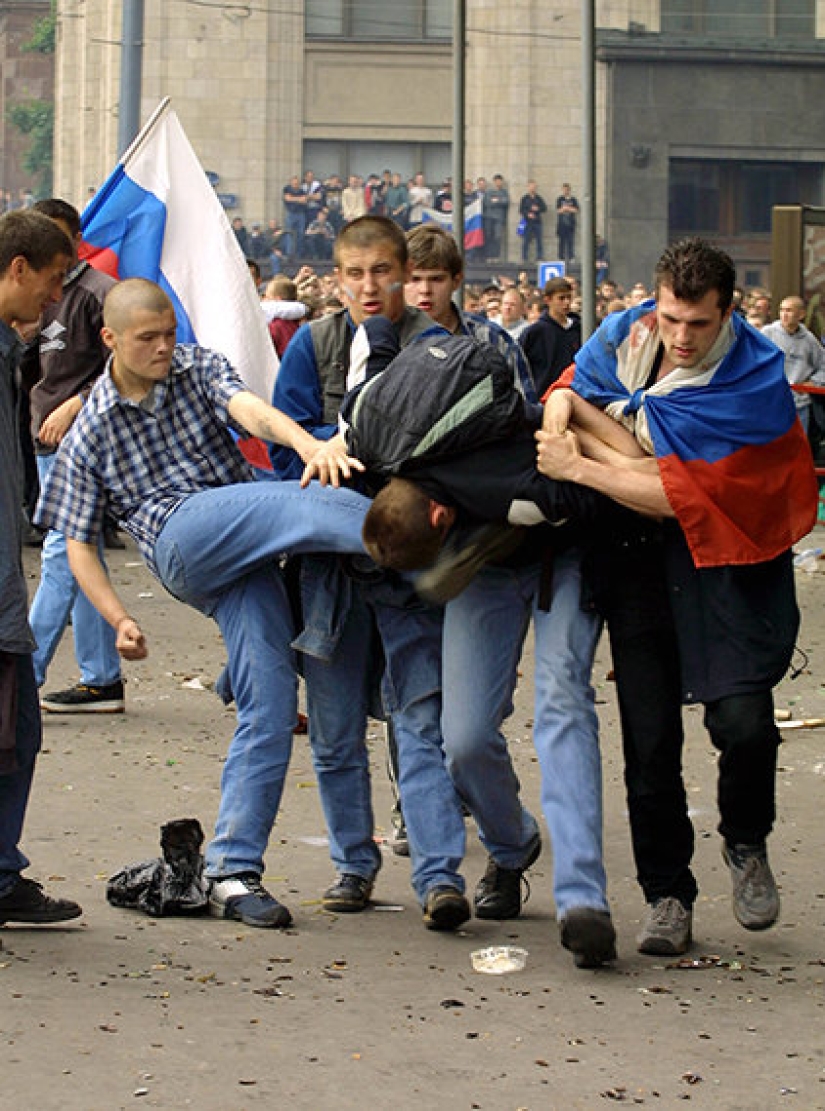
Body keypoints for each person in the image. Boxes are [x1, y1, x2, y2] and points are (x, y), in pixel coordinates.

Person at [35, 277, 372, 930]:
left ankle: (231, 871)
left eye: (169, 333)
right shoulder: (90, 430)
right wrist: (119, 618)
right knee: (298, 500)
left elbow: (249, 410)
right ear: (110, 339)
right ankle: (411, 537)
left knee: (270, 706)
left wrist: (305, 444)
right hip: (181, 538)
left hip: (245, 548)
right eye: (148, 338)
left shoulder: (197, 366)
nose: (165, 348)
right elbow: (77, 547)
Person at [535, 237, 817, 955]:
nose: (680, 337)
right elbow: (566, 392)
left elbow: (681, 493)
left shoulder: (753, 376)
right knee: (649, 738)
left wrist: (585, 460)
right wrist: (580, 416)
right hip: (636, 559)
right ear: (653, 303)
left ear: (728, 312)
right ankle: (667, 893)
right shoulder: (624, 336)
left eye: (697, 323)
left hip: (729, 560)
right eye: (669, 319)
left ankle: (745, 838)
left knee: (744, 721)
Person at [399, 225, 616, 967]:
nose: (421, 291)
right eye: (411, 278)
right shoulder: (379, 352)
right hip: (476, 559)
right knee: (464, 738)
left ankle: (583, 898)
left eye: (433, 278)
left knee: (563, 702)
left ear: (455, 281)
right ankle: (511, 843)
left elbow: (528, 436)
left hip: (554, 545)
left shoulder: (496, 343)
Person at [270, 215, 472, 931]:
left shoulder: (439, 349)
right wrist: (330, 446)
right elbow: (285, 449)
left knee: (419, 723)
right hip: (329, 571)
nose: (368, 287)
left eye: (381, 272)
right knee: (332, 733)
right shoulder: (315, 345)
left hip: (413, 569)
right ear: (335, 278)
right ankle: (353, 865)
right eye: (354, 274)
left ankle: (440, 875)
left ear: (403, 274)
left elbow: (459, 448)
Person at [0, 208, 83, 926]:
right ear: (18, 268)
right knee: (15, 732)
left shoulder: (10, 348)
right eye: (53, 280)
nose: (56, 297)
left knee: (18, 732)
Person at [24, 199, 124, 714]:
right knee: (82, 557)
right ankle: (101, 678)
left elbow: (127, 366)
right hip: (44, 440)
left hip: (83, 442)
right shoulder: (37, 295)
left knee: (63, 552)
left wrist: (77, 403)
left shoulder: (98, 293)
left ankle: (24, 675)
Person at [761, 295, 825, 435]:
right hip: (771, 402)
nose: (784, 314)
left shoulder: (808, 339)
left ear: (801, 315)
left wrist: (814, 382)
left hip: (799, 405)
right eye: (782, 310)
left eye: (789, 310)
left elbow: (823, 365)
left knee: (797, 445)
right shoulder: (767, 333)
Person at [521, 277, 582, 396]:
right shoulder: (534, 332)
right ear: (548, 300)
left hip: (575, 394)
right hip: (543, 396)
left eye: (569, 297)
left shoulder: (579, 328)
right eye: (561, 298)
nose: (566, 302)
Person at [518, 181, 547, 265]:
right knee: (526, 240)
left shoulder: (539, 198)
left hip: (537, 221)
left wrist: (538, 209)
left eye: (534, 186)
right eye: (531, 186)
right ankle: (524, 258)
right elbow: (521, 210)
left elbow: (544, 208)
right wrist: (528, 214)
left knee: (539, 240)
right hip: (527, 222)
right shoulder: (524, 198)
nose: (532, 188)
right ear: (528, 187)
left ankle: (539, 257)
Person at [555, 183, 579, 263]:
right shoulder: (560, 199)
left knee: (570, 241)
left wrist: (567, 208)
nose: (565, 191)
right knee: (561, 242)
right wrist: (564, 209)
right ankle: (561, 257)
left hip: (570, 224)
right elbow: (558, 210)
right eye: (564, 189)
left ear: (569, 190)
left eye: (567, 190)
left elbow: (576, 210)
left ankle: (571, 257)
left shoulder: (573, 200)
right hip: (562, 225)